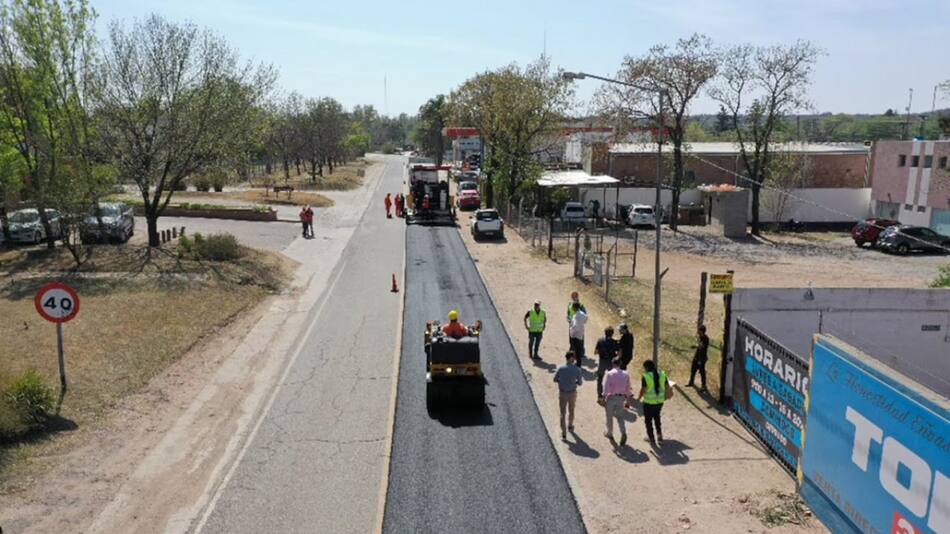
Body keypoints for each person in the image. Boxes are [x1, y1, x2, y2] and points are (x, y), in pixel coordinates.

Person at [637, 359, 670, 447]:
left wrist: (639, 398)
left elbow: (643, 390)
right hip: (660, 401)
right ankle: (659, 435)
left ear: (647, 367)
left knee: (648, 421)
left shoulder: (646, 376)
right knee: (657, 418)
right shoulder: (663, 374)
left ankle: (651, 438)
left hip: (648, 402)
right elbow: (667, 386)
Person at [553, 351, 583, 440]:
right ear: (571, 358)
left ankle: (564, 433)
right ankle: (570, 425)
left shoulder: (561, 368)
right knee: (571, 410)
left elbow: (555, 379)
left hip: (562, 393)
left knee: (563, 413)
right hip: (572, 393)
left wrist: (561, 381)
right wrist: (575, 382)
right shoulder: (577, 369)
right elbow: (580, 383)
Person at [602, 357, 631, 446]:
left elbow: (606, 387)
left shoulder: (609, 374)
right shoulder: (626, 374)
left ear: (613, 363)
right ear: (620, 364)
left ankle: (610, 433)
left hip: (611, 397)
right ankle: (623, 432)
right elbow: (628, 388)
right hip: (621, 398)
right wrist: (628, 400)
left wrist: (603, 398)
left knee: (609, 416)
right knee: (620, 416)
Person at [595, 327, 619, 400]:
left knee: (600, 379)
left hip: (602, 362)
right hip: (611, 362)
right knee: (612, 378)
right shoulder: (615, 342)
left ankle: (600, 396)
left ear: (604, 332)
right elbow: (618, 352)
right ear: (612, 333)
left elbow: (596, 352)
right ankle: (611, 394)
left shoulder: (600, 340)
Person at [688, 325, 710, 391]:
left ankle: (704, 386)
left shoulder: (706, 339)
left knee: (702, 372)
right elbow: (699, 346)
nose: (698, 332)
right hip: (697, 356)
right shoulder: (700, 337)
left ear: (702, 331)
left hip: (702, 358)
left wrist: (695, 346)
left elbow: (702, 347)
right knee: (693, 369)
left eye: (699, 331)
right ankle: (691, 382)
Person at [568, 302, 587, 367]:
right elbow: (585, 319)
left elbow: (575, 327)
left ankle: (577, 363)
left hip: (575, 335)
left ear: (575, 308)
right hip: (580, 334)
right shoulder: (582, 314)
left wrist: (571, 333)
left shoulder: (575, 316)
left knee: (576, 349)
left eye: (573, 307)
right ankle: (578, 362)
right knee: (579, 349)